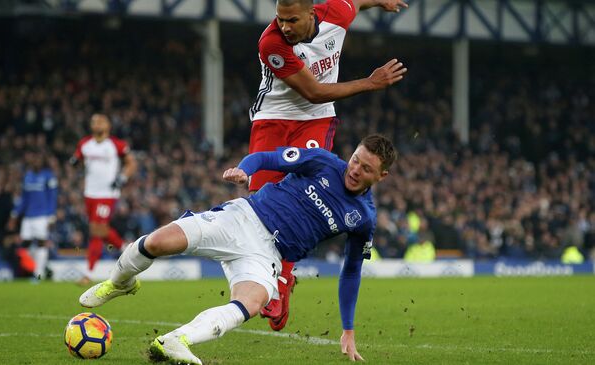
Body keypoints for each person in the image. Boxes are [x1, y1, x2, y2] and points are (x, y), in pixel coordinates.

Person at [79, 134, 397, 363]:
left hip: (268, 256)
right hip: (242, 218)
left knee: (252, 302)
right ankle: (118, 283)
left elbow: (352, 271)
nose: (355, 170)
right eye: (356, 160)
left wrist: (348, 329)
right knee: (156, 242)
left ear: (381, 176)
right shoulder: (324, 162)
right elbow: (267, 158)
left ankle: (175, 341)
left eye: (366, 169)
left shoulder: (363, 218)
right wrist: (245, 169)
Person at [249, 0, 408, 330]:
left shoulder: (336, 11)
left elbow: (356, 2)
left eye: (292, 19)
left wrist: (381, 2)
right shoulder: (271, 43)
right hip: (274, 119)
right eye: (280, 19)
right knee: (259, 207)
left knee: (304, 199)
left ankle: (282, 282)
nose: (285, 26)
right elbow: (314, 91)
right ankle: (268, 273)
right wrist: (370, 82)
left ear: (312, 12)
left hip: (315, 121)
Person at [70, 113, 137, 284]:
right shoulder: (85, 144)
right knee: (99, 230)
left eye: (101, 121)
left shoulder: (116, 144)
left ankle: (88, 273)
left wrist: (122, 178)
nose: (97, 123)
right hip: (90, 194)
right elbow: (76, 160)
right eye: (94, 121)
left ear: (108, 125)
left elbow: (131, 163)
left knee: (95, 231)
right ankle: (125, 248)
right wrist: (74, 163)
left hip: (107, 194)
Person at [7, 150, 58, 280]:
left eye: (38, 160)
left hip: (42, 216)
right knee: (25, 245)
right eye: (34, 160)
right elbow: (24, 199)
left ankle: (38, 274)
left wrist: (51, 216)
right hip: (28, 216)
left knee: (41, 243)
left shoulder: (48, 176)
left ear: (42, 162)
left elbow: (52, 197)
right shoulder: (28, 176)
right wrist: (14, 214)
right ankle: (35, 269)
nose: (36, 162)